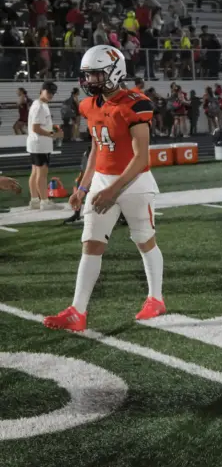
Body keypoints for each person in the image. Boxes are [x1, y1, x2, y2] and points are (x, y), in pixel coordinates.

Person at [43, 45, 164, 332]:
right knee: (91, 243)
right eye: (88, 75)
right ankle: (77, 311)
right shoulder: (89, 105)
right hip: (101, 180)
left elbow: (141, 157)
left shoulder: (135, 104)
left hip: (134, 182)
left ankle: (156, 299)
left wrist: (113, 190)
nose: (90, 81)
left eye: (96, 74)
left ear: (115, 72)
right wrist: (83, 187)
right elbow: (97, 147)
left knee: (144, 240)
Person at [27, 82, 61, 210]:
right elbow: (35, 128)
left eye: (53, 93)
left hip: (37, 144)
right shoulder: (39, 106)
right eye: (49, 92)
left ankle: (35, 200)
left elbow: (40, 125)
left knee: (35, 172)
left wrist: (52, 129)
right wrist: (52, 134)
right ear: (42, 90)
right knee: (42, 174)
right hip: (40, 144)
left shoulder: (40, 105)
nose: (51, 94)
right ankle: (44, 202)